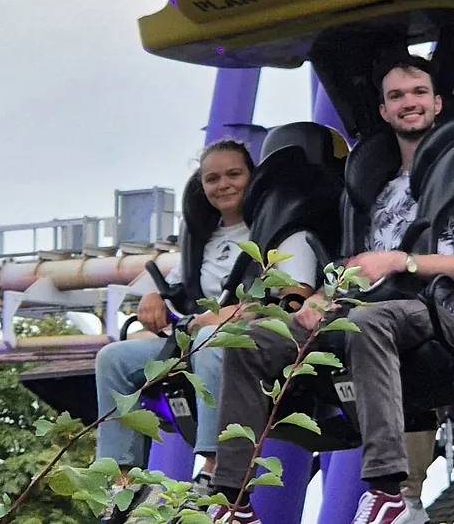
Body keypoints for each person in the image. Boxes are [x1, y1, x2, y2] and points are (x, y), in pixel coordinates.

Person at [204, 54, 454, 524]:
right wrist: (320, 302)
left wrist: (400, 260)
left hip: (443, 314)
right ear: (384, 111)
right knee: (252, 337)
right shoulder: (376, 189)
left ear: (437, 103)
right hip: (370, 308)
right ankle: (232, 499)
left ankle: (386, 489)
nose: (410, 103)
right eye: (397, 96)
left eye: (418, 93)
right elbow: (353, 270)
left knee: (368, 321)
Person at [94, 139, 318, 523]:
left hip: (259, 346)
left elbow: (296, 301)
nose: (223, 185)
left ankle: (216, 467)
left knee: (209, 338)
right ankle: (122, 481)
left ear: (254, 178)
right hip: (198, 340)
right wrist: (152, 296)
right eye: (212, 178)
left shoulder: (283, 233)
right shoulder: (202, 240)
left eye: (234, 174)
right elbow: (173, 290)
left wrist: (232, 315)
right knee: (113, 357)